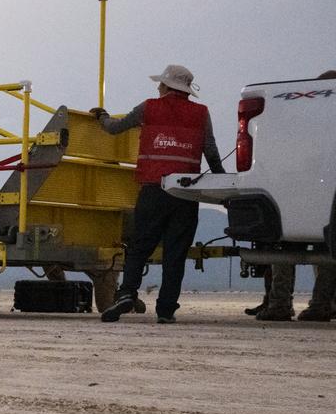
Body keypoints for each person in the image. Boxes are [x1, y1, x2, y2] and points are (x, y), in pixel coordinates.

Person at [95, 64, 225, 323]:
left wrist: (101, 116)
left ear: (167, 86)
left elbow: (114, 128)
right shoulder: (201, 113)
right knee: (175, 254)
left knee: (140, 246)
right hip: (187, 194)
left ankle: (126, 294)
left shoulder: (149, 107)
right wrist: (221, 180)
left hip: (154, 189)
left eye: (161, 84)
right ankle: (166, 310)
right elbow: (210, 149)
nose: (158, 87)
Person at [247, 69, 336, 322]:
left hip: (292, 192)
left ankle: (280, 304)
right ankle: (321, 305)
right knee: (327, 251)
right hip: (323, 199)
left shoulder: (302, 119)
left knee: (283, 249)